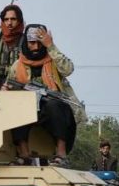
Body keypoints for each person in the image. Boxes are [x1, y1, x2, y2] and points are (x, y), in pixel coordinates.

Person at [5, 24, 86, 167]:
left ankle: (61, 154)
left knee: (54, 106)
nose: (36, 47)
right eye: (32, 43)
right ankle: (24, 155)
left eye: (39, 42)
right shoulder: (17, 65)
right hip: (29, 109)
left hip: (55, 108)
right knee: (17, 105)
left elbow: (68, 69)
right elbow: (9, 86)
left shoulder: (53, 60)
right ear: (26, 42)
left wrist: (51, 46)